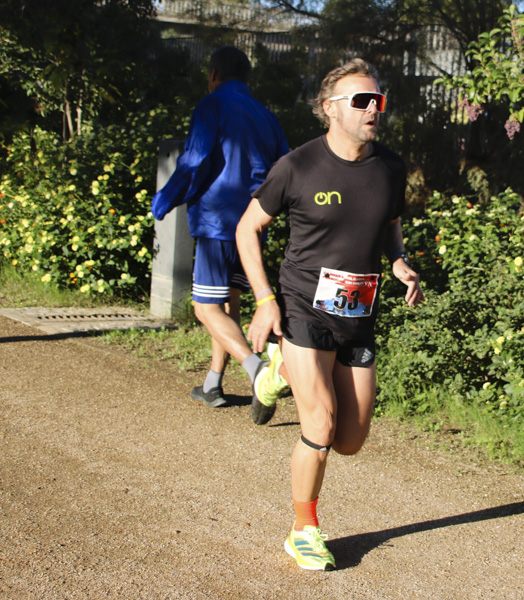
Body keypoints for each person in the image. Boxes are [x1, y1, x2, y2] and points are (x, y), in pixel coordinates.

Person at [234, 58, 425, 571]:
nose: (373, 109)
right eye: (361, 100)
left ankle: (277, 371)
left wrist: (400, 260)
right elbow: (247, 229)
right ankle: (304, 530)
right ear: (329, 109)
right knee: (319, 424)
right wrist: (264, 300)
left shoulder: (390, 166)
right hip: (302, 307)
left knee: (351, 440)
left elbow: (389, 222)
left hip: (359, 314)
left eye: (377, 100)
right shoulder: (297, 167)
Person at [151, 46, 291, 414]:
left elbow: (194, 159)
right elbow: (285, 166)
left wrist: (164, 200)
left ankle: (258, 369)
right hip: (253, 224)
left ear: (213, 74)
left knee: (204, 307)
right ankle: (213, 383)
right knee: (228, 301)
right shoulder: (266, 115)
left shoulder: (210, 105)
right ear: (247, 79)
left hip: (217, 222)